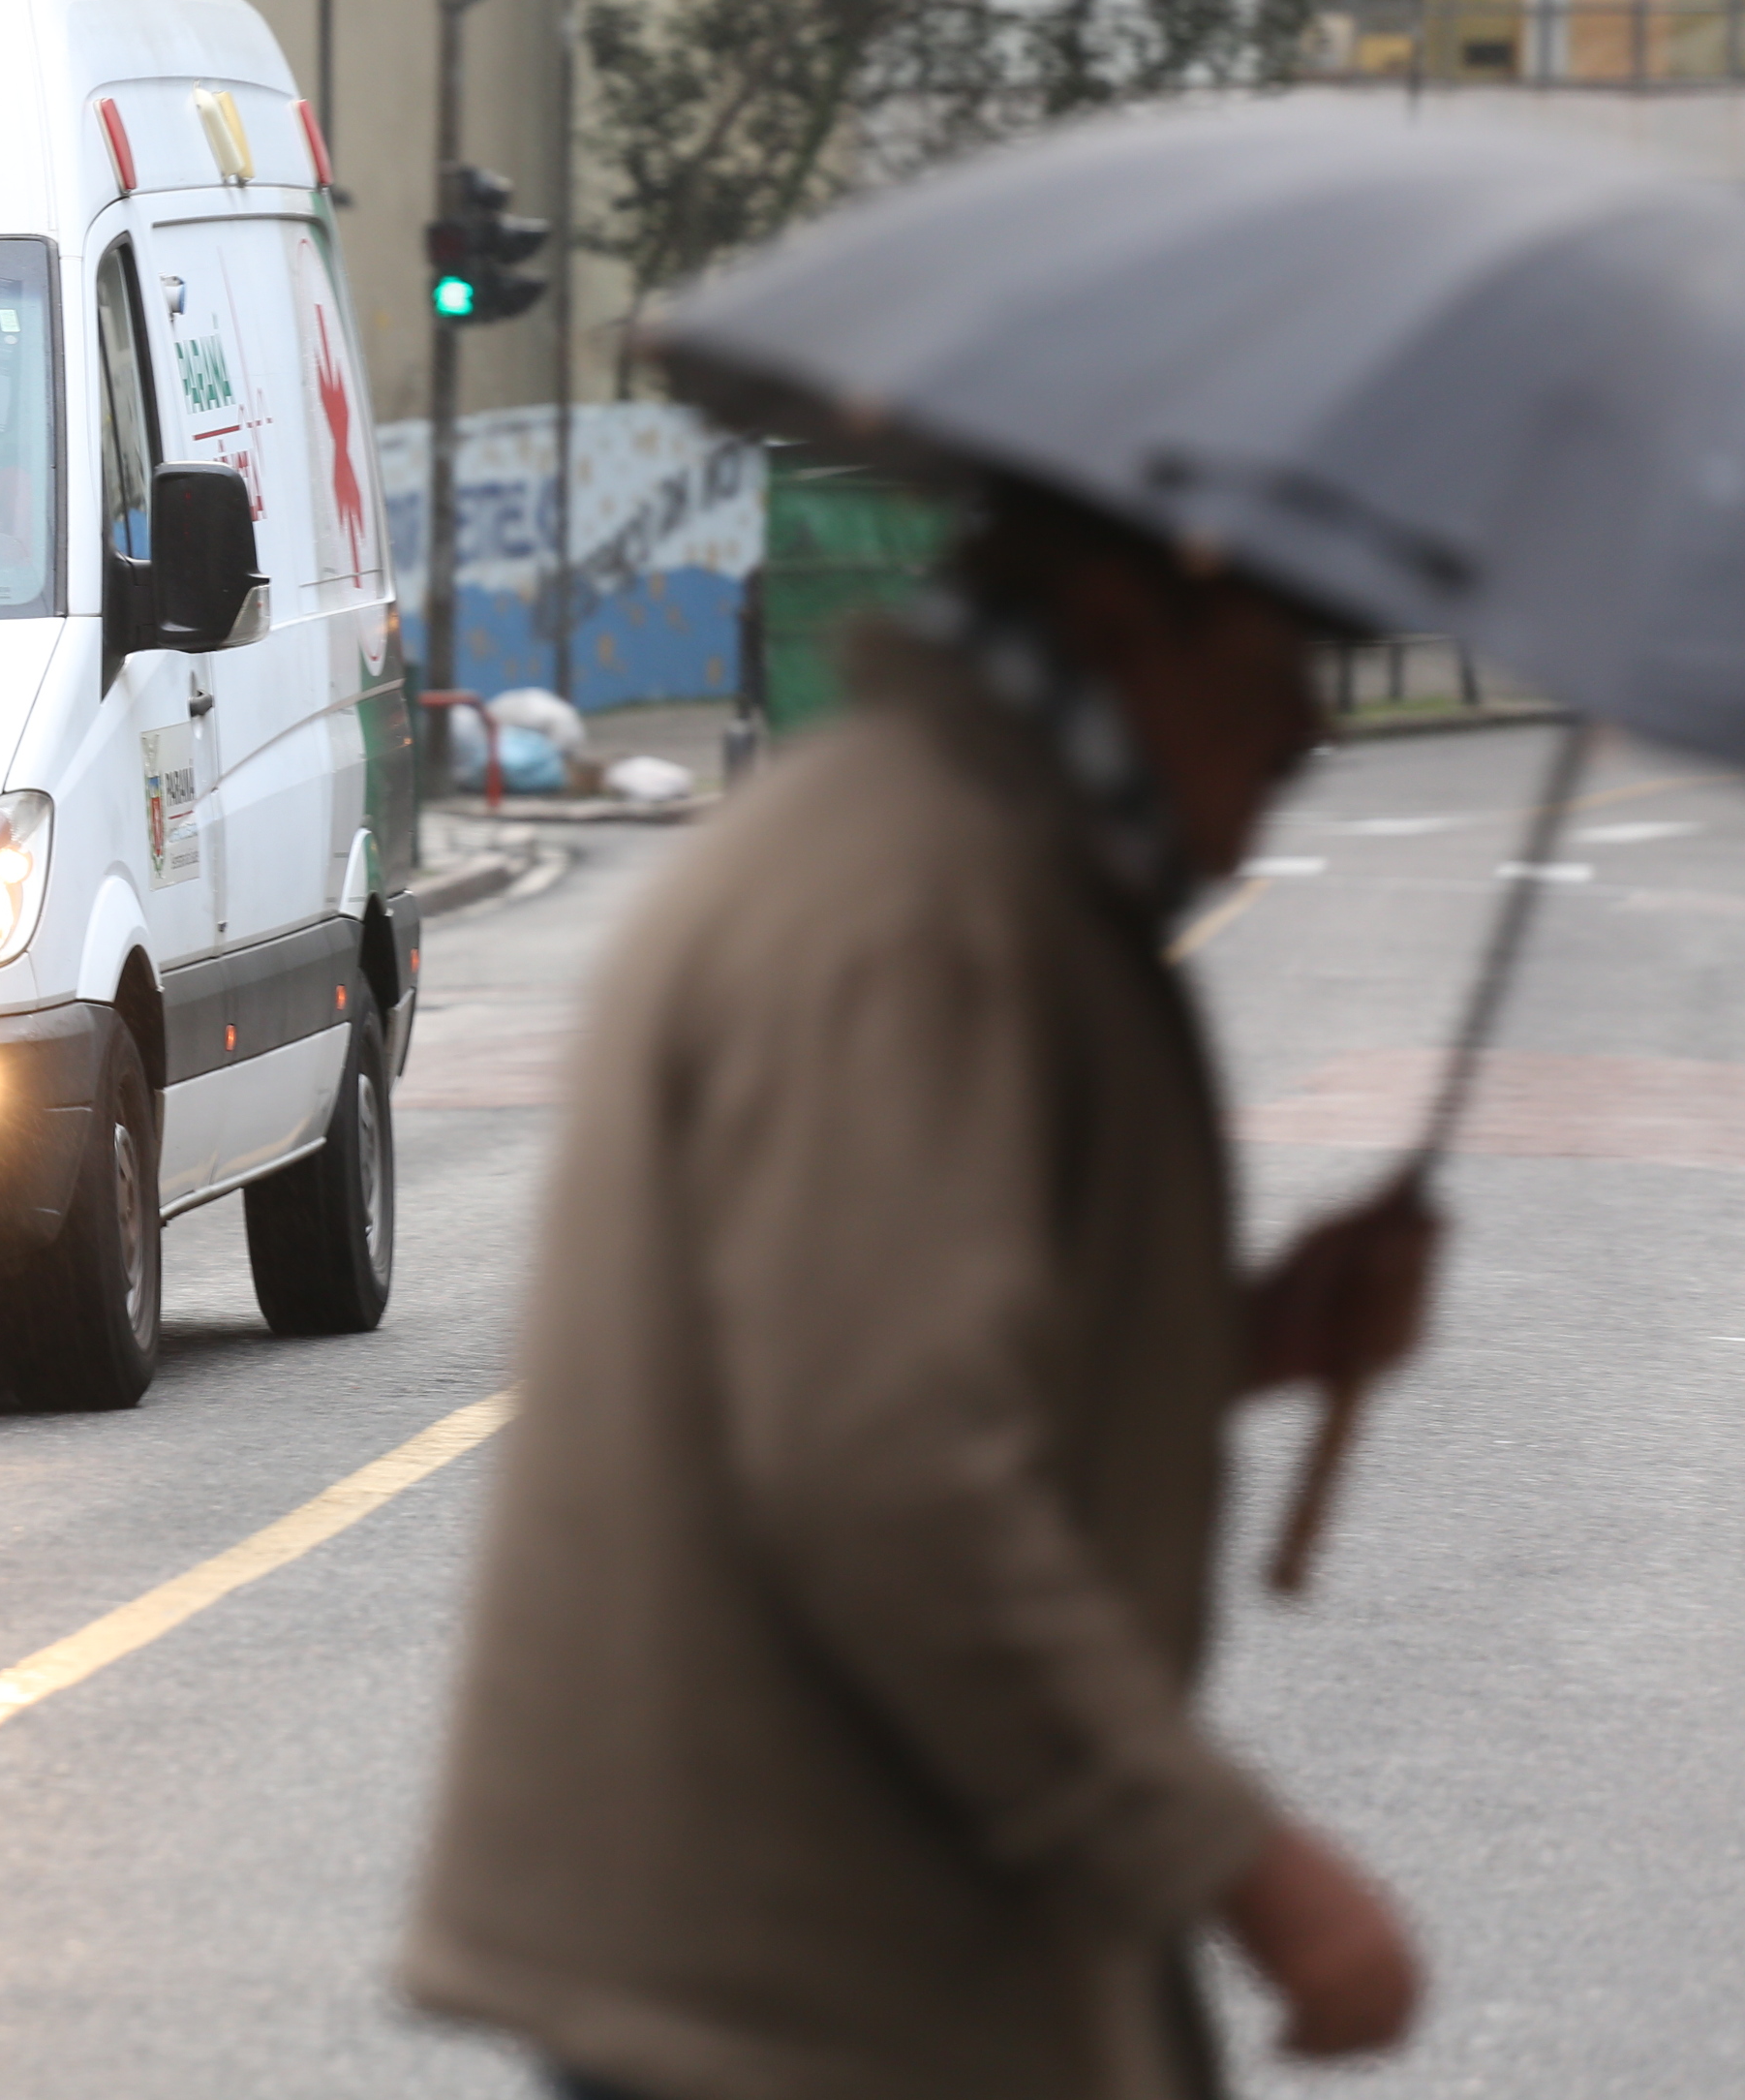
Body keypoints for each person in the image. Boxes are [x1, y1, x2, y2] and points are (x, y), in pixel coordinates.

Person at [405, 479, 1436, 2100]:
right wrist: (1250, 1870)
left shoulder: (957, 852)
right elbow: (886, 1472)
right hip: (812, 1973)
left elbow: (905, 1342)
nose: (1310, 721)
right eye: (1283, 653)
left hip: (829, 1941)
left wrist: (1252, 1336)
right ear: (1117, 622)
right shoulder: (921, 899)